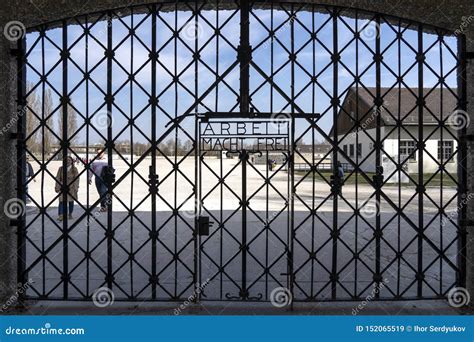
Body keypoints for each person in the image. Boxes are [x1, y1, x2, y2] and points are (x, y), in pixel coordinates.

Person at [55, 156, 79, 221]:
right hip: (62, 187)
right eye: (66, 160)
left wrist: (76, 187)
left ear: (71, 161)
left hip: (72, 187)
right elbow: (57, 178)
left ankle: (70, 213)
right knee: (61, 201)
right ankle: (61, 215)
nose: (68, 161)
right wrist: (57, 187)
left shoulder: (75, 169)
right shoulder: (61, 168)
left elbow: (77, 179)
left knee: (71, 201)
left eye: (69, 160)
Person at [88, 148, 110, 212]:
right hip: (97, 178)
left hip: (105, 178)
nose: (99, 154)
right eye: (98, 153)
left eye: (101, 152)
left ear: (104, 153)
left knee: (103, 192)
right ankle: (104, 205)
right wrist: (89, 178)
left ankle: (104, 206)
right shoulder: (94, 160)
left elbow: (111, 168)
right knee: (100, 193)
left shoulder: (107, 160)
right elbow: (91, 170)